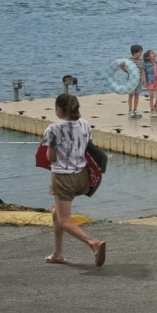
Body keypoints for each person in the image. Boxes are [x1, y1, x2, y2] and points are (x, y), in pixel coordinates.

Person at [41, 94, 106, 266]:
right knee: (57, 213)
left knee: (65, 221)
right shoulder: (84, 124)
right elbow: (86, 147)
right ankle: (57, 253)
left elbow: (51, 157)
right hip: (81, 176)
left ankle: (93, 243)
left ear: (59, 109)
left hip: (64, 178)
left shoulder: (53, 129)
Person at [123, 45, 145, 118]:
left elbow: (142, 70)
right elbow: (127, 71)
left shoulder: (141, 61)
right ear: (134, 53)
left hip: (139, 80)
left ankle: (135, 109)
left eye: (141, 52)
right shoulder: (129, 61)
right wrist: (122, 68)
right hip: (131, 81)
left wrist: (144, 80)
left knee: (137, 95)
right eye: (139, 52)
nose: (140, 53)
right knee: (131, 95)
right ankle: (130, 110)